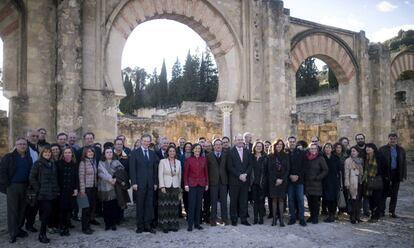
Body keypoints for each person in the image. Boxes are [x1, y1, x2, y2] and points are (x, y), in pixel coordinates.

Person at [0, 137, 33, 243]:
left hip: (25, 186)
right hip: (13, 186)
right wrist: (7, 185)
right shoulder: (9, 157)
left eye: (24, 144)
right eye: (20, 144)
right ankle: (12, 233)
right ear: (16, 145)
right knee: (13, 210)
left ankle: (18, 229)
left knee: (23, 209)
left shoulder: (28, 158)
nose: (22, 146)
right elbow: (2, 172)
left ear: (26, 146)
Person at [29, 145, 60, 243]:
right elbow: (32, 178)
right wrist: (38, 189)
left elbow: (55, 178)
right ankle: (42, 235)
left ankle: (44, 232)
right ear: (42, 153)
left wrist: (57, 190)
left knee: (49, 213)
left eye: (49, 152)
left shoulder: (52, 163)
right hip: (42, 194)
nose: (47, 154)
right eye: (45, 152)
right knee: (46, 214)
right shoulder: (37, 164)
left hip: (53, 193)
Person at [129, 134, 159, 234]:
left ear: (150, 142)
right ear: (141, 141)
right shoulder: (135, 153)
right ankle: (140, 226)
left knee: (149, 206)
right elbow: (132, 169)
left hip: (150, 184)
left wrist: (155, 182)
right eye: (144, 141)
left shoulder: (152, 153)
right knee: (140, 206)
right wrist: (134, 183)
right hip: (139, 184)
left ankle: (148, 225)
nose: (146, 143)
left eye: (148, 141)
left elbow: (155, 169)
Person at [379, 133, 407, 218]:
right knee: (384, 193)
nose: (393, 140)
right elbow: (379, 162)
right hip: (386, 173)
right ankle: (381, 211)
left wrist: (403, 174)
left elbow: (404, 163)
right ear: (388, 139)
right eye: (391, 138)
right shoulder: (382, 149)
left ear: (396, 139)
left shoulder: (401, 150)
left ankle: (392, 212)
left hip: (396, 173)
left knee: (394, 194)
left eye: (394, 138)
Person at [227, 134, 252, 226]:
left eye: (241, 139)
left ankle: (243, 219)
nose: (240, 141)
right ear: (235, 141)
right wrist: (239, 175)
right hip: (234, 181)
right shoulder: (230, 152)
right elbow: (230, 166)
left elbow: (250, 165)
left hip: (245, 180)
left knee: (244, 201)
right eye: (238, 140)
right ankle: (234, 219)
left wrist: (245, 174)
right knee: (233, 201)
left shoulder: (247, 151)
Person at [98, 147, 124, 231]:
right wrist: (110, 179)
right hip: (105, 187)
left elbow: (121, 172)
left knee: (114, 206)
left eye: (110, 152)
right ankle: (107, 223)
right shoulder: (101, 163)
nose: (109, 154)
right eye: (107, 152)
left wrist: (116, 179)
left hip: (115, 187)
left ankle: (113, 223)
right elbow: (100, 173)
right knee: (106, 206)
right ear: (104, 154)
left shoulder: (116, 162)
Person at [184, 143, 208, 231]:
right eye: (196, 149)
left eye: (199, 149)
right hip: (191, 185)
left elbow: (206, 173)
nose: (197, 150)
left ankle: (197, 224)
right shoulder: (189, 160)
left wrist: (207, 184)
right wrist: (186, 184)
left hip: (201, 185)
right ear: (193, 150)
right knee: (191, 205)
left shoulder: (204, 159)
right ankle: (190, 224)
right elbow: (185, 174)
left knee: (199, 205)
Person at [158, 146, 182, 233]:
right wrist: (162, 186)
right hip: (165, 186)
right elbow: (160, 174)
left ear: (175, 152)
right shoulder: (162, 161)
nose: (172, 153)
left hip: (175, 186)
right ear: (167, 152)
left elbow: (180, 175)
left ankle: (173, 224)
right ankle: (165, 225)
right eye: (170, 151)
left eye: (173, 151)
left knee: (174, 206)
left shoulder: (178, 162)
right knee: (165, 206)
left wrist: (179, 187)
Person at [56, 147, 78, 236]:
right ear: (63, 154)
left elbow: (76, 178)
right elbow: (55, 178)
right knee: (62, 210)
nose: (68, 154)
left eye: (69, 152)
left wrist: (76, 189)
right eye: (66, 152)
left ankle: (66, 227)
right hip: (61, 191)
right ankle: (61, 227)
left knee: (69, 209)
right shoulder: (58, 164)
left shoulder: (74, 164)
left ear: (72, 154)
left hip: (71, 190)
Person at [207, 139, 229, 226]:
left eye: (220, 144)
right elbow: (207, 170)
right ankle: (213, 219)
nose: (218, 146)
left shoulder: (225, 155)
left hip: (223, 181)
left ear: (222, 145)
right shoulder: (209, 156)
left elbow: (227, 168)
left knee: (224, 201)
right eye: (216, 144)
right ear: (213, 146)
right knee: (213, 201)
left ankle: (225, 219)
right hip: (213, 182)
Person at [304, 143, 328, 224]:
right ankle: (311, 216)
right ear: (309, 150)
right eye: (311, 148)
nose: (313, 150)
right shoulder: (306, 158)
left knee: (316, 202)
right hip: (308, 183)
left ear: (317, 150)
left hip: (316, 184)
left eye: (315, 148)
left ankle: (315, 217)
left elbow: (325, 170)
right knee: (309, 202)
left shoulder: (320, 158)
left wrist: (318, 177)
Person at [268, 139, 289, 227]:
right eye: (277, 144)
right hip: (273, 181)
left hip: (283, 181)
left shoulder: (286, 156)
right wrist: (275, 179)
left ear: (283, 146)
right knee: (274, 200)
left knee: (281, 200)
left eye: (281, 144)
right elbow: (269, 170)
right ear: (275, 146)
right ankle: (274, 219)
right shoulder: (271, 156)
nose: (279, 146)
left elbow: (288, 169)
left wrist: (281, 179)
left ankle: (281, 219)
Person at [363, 143, 386, 222]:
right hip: (368, 182)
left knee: (377, 199)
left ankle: (376, 216)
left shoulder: (379, 157)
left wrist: (384, 178)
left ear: (373, 149)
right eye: (367, 148)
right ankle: (372, 214)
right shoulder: (365, 158)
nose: (367, 149)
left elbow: (385, 168)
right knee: (371, 199)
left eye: (369, 147)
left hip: (377, 181)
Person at [286, 136, 306, 226]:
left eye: (293, 141)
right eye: (290, 141)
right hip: (289, 180)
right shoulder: (285, 153)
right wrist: (290, 175)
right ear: (288, 142)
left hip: (299, 180)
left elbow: (304, 167)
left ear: (296, 142)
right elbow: (284, 167)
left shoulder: (302, 153)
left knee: (301, 199)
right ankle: (292, 217)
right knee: (290, 199)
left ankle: (301, 218)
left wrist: (297, 176)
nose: (292, 143)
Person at [78, 147, 98, 235]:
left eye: (92, 151)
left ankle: (88, 226)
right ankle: (84, 228)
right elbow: (81, 177)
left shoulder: (93, 162)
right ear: (85, 153)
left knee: (90, 208)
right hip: (85, 189)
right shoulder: (83, 163)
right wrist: (82, 191)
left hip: (93, 188)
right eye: (88, 151)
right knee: (85, 209)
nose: (90, 153)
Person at [24, 130, 40, 233]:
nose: (35, 138)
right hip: (27, 182)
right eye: (32, 136)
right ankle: (23, 226)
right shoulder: (25, 148)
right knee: (27, 206)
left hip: (35, 182)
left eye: (36, 136)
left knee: (33, 205)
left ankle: (29, 224)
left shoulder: (36, 149)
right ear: (27, 137)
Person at [322, 143, 341, 223]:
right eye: (326, 147)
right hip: (325, 180)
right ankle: (329, 214)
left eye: (329, 147)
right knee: (327, 198)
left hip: (334, 181)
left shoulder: (335, 158)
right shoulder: (321, 157)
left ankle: (332, 214)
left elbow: (339, 169)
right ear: (324, 149)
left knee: (333, 198)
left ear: (332, 149)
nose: (328, 149)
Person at [344, 146, 364, 224]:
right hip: (352, 182)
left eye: (354, 151)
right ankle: (352, 217)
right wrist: (347, 183)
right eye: (352, 151)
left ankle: (358, 217)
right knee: (353, 200)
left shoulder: (360, 160)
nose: (353, 152)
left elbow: (362, 171)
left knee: (358, 200)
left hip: (360, 182)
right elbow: (346, 173)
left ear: (358, 152)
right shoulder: (348, 161)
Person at [251, 141, 268, 225]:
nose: (258, 147)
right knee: (255, 201)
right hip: (253, 183)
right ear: (254, 147)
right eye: (257, 146)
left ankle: (261, 218)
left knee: (261, 201)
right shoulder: (251, 157)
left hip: (262, 183)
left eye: (260, 146)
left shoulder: (265, 157)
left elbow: (267, 171)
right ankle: (255, 218)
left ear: (262, 147)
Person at [354, 133, 370, 217]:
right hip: (358, 175)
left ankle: (366, 210)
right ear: (356, 140)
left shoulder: (368, 148)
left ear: (364, 139)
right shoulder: (354, 149)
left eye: (361, 138)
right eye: (358, 139)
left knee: (366, 194)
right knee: (358, 194)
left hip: (368, 174)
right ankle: (358, 210)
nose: (360, 140)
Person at [333, 142, 349, 214]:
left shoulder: (345, 156)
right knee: (336, 193)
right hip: (335, 177)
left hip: (344, 176)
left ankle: (342, 209)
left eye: (340, 147)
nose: (338, 149)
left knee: (344, 192)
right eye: (337, 147)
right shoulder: (332, 155)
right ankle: (335, 209)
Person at [179, 142, 193, 217]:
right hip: (184, 180)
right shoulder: (181, 157)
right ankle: (187, 213)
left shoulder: (194, 156)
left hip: (193, 180)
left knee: (192, 198)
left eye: (189, 147)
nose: (188, 148)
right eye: (187, 147)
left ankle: (192, 213)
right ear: (184, 148)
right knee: (185, 198)